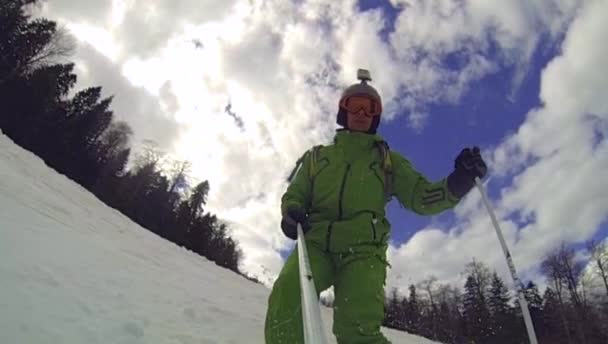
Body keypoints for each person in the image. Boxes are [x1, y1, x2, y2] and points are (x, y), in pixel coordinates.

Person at [264, 69, 487, 344]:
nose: (361, 113)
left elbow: (422, 197)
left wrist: (459, 181)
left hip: (363, 251)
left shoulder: (387, 161)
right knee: (288, 296)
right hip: (316, 244)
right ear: (343, 112)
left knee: (358, 330)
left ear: (375, 117)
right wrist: (292, 210)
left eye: (369, 109)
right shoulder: (317, 158)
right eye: (355, 106)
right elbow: (296, 192)